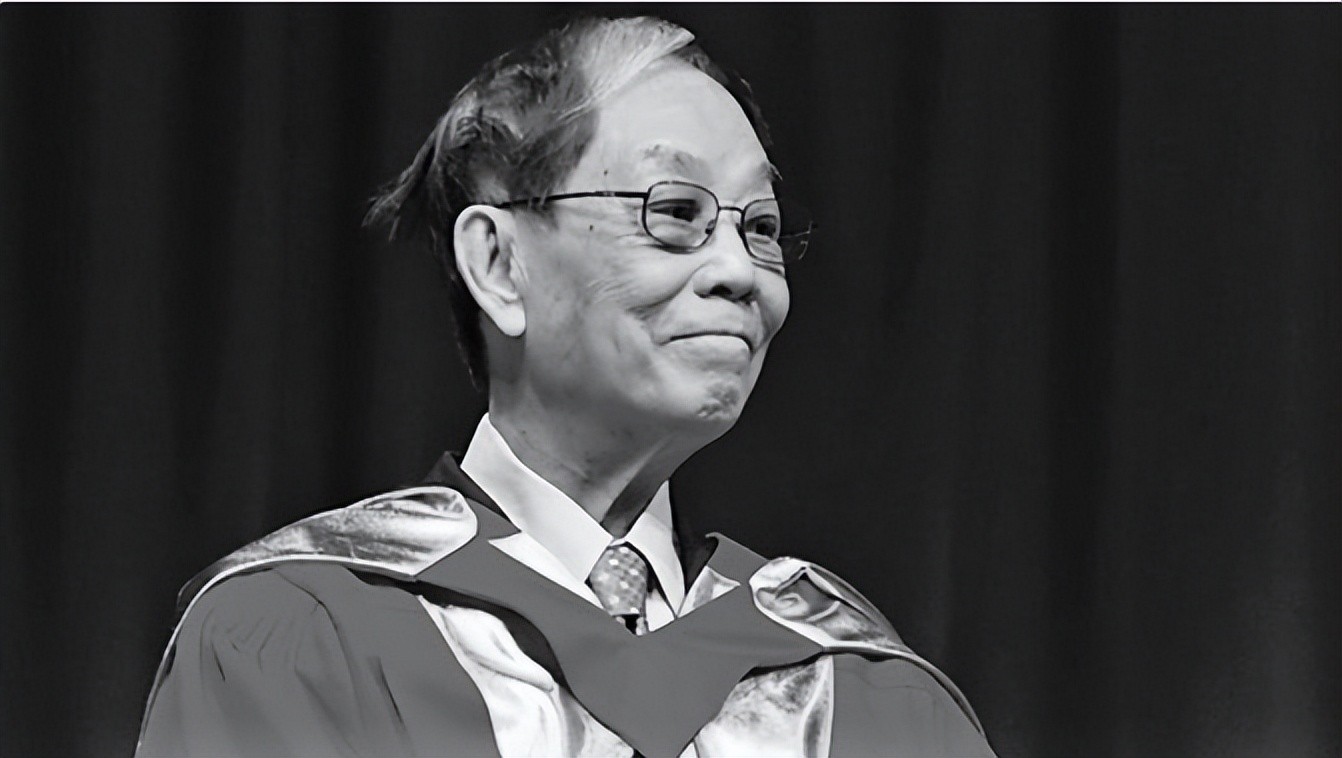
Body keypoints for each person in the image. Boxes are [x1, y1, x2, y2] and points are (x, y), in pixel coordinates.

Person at [136, 16, 994, 757]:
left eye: (761, 227)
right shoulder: (306, 635)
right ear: (499, 264)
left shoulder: (859, 688)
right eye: (677, 213)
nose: (741, 272)